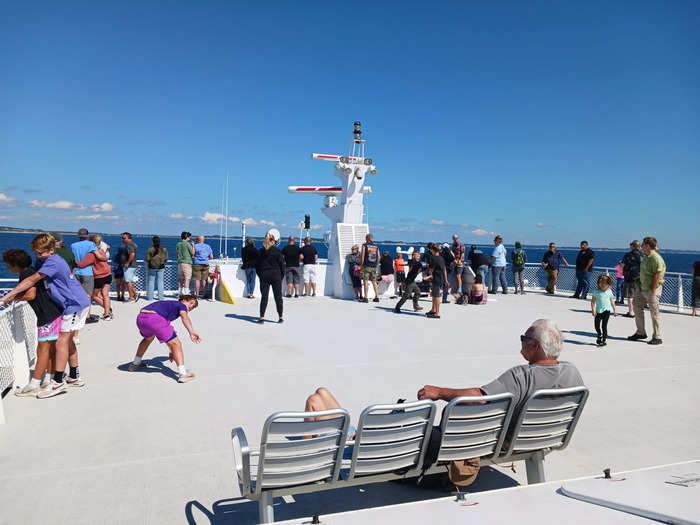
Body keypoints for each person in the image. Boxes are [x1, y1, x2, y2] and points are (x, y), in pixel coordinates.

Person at [418, 319, 584, 477]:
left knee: (440, 424)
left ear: (535, 345)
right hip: (546, 438)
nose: (521, 342)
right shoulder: (572, 372)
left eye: (523, 338)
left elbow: (480, 398)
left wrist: (439, 392)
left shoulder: (521, 376)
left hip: (510, 442)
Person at [1, 234, 89, 397]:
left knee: (61, 340)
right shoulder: (45, 260)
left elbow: (31, 281)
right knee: (67, 341)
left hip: (74, 303)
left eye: (41, 253)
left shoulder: (53, 262)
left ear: (52, 250)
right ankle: (74, 376)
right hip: (71, 303)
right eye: (36, 253)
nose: (38, 256)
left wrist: (7, 296)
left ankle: (57, 382)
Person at [2, 249, 63, 397]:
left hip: (46, 315)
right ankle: (48, 379)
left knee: (42, 349)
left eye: (8, 265)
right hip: (53, 313)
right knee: (49, 349)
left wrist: (12, 298)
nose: (8, 267)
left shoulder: (26, 274)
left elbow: (31, 294)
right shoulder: (32, 270)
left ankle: (34, 384)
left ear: (15, 264)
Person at [129, 295, 200, 383]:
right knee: (176, 343)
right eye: (191, 303)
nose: (190, 307)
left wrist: (171, 351)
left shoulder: (169, 305)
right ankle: (183, 374)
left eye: (192, 307)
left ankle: (135, 363)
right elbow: (184, 318)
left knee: (148, 339)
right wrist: (191, 332)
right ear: (183, 300)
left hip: (141, 318)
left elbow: (165, 332)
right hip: (155, 318)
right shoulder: (181, 305)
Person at [628, 237, 666, 345]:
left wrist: (653, 289)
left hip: (651, 289)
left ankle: (657, 336)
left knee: (654, 312)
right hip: (643, 288)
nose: (641, 247)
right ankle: (641, 332)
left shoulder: (655, 258)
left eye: (643, 245)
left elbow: (657, 274)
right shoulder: (646, 256)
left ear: (648, 246)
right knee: (636, 305)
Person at [71, 228, 105, 323]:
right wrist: (105, 257)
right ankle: (87, 316)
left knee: (77, 294)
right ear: (87, 235)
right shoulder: (91, 244)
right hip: (87, 272)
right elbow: (98, 256)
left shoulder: (73, 245)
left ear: (78, 236)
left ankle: (77, 314)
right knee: (88, 295)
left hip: (76, 271)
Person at [75, 234, 113, 320]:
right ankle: (107, 313)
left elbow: (82, 264)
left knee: (94, 296)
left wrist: (73, 261)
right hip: (108, 274)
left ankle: (107, 309)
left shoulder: (92, 254)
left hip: (99, 276)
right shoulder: (102, 251)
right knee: (105, 295)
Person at [256, 232, 285, 323]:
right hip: (276, 276)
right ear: (272, 241)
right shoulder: (277, 251)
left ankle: (261, 317)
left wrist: (260, 275)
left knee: (264, 297)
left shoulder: (260, 251)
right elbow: (282, 265)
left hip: (264, 275)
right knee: (278, 297)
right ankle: (280, 317)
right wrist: (281, 276)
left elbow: (257, 266)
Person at [591, 274, 616, 347]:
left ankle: (604, 340)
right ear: (599, 284)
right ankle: (599, 335)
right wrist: (593, 310)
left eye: (605, 285)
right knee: (596, 326)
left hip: (607, 311)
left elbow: (612, 301)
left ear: (608, 285)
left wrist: (615, 310)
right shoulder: (596, 291)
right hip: (598, 311)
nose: (603, 286)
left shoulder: (609, 291)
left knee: (604, 326)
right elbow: (593, 302)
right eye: (601, 284)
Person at [424, 243, 447, 318]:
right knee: (434, 294)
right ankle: (433, 310)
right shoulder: (441, 258)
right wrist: (445, 280)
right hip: (440, 278)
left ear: (432, 250)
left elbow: (431, 270)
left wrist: (428, 276)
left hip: (436, 278)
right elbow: (444, 269)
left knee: (436, 296)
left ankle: (437, 313)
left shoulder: (433, 258)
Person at [620, 240, 642, 317]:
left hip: (630, 277)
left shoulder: (628, 255)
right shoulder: (643, 255)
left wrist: (622, 265)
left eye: (631, 245)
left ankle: (631, 312)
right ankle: (638, 311)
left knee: (630, 296)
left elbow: (622, 265)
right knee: (639, 295)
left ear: (633, 246)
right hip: (640, 278)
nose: (630, 246)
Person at [359, 233, 381, 303]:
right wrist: (376, 264)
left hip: (366, 266)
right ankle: (377, 297)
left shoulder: (364, 245)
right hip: (374, 266)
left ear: (367, 239)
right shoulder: (376, 246)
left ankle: (365, 298)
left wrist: (361, 265)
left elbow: (362, 256)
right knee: (374, 282)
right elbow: (379, 257)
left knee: (365, 281)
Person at [145, 236, 168, 301]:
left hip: (152, 267)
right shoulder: (164, 249)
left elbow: (147, 259)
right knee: (160, 282)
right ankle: (160, 297)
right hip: (161, 267)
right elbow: (166, 258)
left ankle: (150, 297)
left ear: (153, 241)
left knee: (151, 282)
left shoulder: (150, 249)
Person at [121, 232, 139, 302]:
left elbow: (132, 254)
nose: (122, 239)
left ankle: (131, 297)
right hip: (133, 265)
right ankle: (135, 294)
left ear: (129, 238)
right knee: (128, 281)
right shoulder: (134, 244)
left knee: (128, 281)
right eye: (122, 238)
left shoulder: (129, 245)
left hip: (129, 266)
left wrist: (127, 262)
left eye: (124, 238)